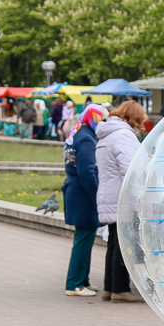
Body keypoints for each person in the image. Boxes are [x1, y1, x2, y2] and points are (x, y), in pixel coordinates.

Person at [96, 100, 147, 303]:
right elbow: (131, 171)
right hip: (121, 197)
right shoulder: (124, 136)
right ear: (133, 118)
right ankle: (120, 288)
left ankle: (110, 287)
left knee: (113, 243)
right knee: (122, 243)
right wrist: (138, 200)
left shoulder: (107, 135)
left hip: (108, 194)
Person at [63, 104, 105, 297]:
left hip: (76, 190)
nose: (102, 123)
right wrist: (98, 196)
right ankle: (75, 284)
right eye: (101, 119)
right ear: (94, 118)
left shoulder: (78, 131)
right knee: (83, 239)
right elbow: (87, 171)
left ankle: (82, 280)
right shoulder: (87, 138)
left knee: (85, 238)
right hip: (83, 193)